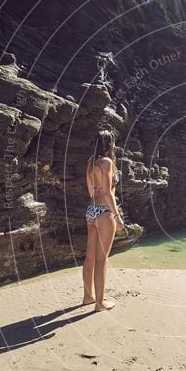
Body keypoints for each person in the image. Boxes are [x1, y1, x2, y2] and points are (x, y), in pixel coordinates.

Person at [83, 129, 124, 312]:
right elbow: (107, 192)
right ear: (110, 144)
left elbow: (91, 190)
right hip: (104, 212)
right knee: (102, 259)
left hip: (91, 210)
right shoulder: (107, 162)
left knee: (90, 257)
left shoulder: (90, 163)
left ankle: (88, 297)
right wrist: (116, 216)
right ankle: (100, 303)